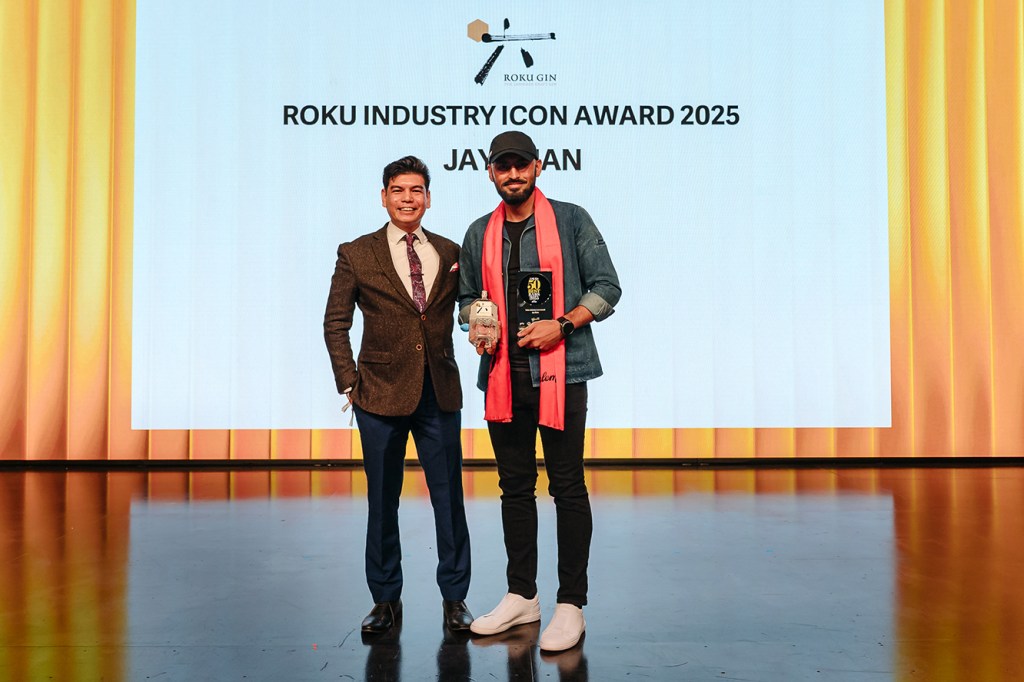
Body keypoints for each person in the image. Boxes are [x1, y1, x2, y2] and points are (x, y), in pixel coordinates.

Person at [458, 131, 621, 651]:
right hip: (502, 376)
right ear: (490, 172)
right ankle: (521, 596)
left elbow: (608, 287)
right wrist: (476, 323)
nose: (513, 174)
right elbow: (466, 299)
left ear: (538, 167)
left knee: (567, 487)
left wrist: (563, 324)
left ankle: (571, 604)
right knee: (514, 488)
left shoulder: (571, 220)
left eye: (521, 165)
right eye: (503, 166)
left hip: (563, 372)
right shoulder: (479, 231)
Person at [324, 155, 473, 634]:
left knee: (449, 500)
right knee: (382, 501)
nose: (407, 198)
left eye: (416, 190)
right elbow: (335, 322)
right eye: (398, 190)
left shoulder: (450, 250)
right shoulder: (356, 252)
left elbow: (471, 307)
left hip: (438, 392)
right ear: (384, 196)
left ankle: (455, 598)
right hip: (379, 396)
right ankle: (385, 599)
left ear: (428, 198)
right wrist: (350, 382)